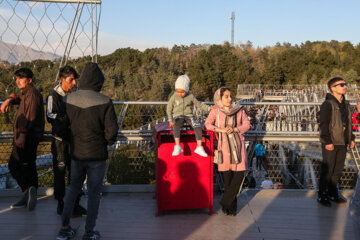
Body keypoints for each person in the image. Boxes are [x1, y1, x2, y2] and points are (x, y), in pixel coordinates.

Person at [56, 62, 118, 240]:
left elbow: (59, 128)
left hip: (76, 153)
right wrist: (105, 141)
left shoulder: (67, 100)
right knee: (93, 193)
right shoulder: (105, 101)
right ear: (99, 81)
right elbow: (111, 133)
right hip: (97, 155)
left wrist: (72, 139)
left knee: (73, 189)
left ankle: (64, 228)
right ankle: (89, 232)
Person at [0, 68, 44, 211]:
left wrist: (22, 135)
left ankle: (28, 192)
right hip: (25, 136)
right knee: (27, 166)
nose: (18, 80)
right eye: (17, 78)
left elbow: (30, 116)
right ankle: (29, 194)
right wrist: (9, 100)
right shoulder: (27, 93)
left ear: (29, 80)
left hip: (26, 137)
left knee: (16, 165)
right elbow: (18, 98)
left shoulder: (32, 94)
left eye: (21, 78)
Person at [46, 65, 86, 216]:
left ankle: (75, 203)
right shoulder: (53, 96)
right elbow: (50, 116)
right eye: (71, 80)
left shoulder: (75, 93)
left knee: (76, 173)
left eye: (75, 80)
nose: (74, 83)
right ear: (62, 79)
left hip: (74, 140)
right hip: (60, 142)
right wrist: (68, 118)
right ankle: (61, 204)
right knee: (60, 173)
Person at [205, 87, 250, 216]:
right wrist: (221, 130)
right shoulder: (216, 111)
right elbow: (207, 124)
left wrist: (236, 129)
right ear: (219, 98)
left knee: (240, 174)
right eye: (226, 96)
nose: (230, 99)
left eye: (230, 96)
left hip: (238, 146)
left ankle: (225, 201)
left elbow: (247, 124)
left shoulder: (239, 110)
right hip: (224, 146)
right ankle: (230, 208)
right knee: (228, 179)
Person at [318, 77, 355, 207]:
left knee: (337, 170)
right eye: (341, 85)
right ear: (333, 88)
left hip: (343, 141)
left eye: (345, 84)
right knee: (327, 170)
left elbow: (349, 123)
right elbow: (323, 124)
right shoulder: (328, 104)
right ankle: (322, 195)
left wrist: (351, 138)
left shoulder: (346, 104)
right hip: (331, 141)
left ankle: (333, 193)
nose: (344, 86)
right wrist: (327, 141)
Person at [167, 74, 211, 157]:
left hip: (189, 115)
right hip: (178, 116)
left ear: (186, 90)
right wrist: (170, 120)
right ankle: (177, 146)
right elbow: (169, 107)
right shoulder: (174, 97)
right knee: (176, 126)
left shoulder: (190, 96)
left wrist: (209, 109)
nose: (180, 94)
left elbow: (199, 105)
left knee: (197, 125)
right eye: (178, 91)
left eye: (182, 92)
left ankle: (199, 147)